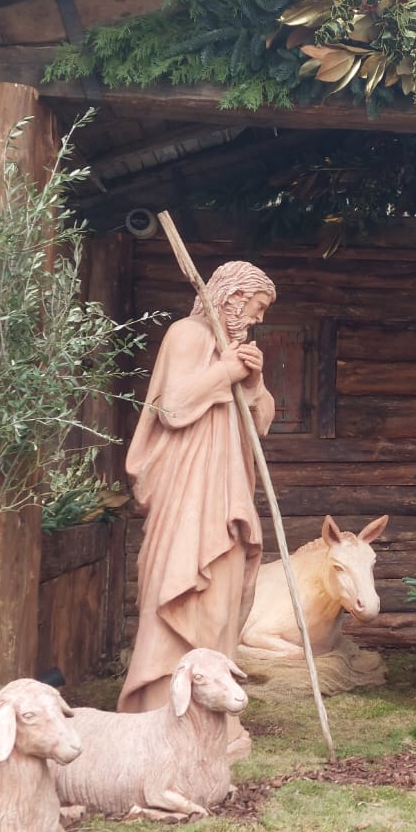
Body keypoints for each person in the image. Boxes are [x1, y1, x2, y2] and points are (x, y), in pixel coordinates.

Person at [118, 262, 277, 720]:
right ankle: (159, 708)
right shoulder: (187, 334)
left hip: (226, 493)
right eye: (257, 306)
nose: (258, 318)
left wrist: (254, 382)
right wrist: (226, 372)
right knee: (181, 583)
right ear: (233, 297)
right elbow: (172, 406)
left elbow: (262, 422)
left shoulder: (236, 350)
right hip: (186, 490)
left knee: (221, 598)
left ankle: (211, 714)